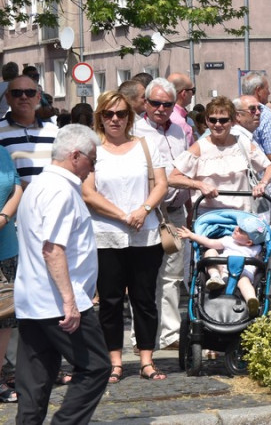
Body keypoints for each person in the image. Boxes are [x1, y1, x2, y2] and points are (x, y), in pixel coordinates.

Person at [15, 124, 110, 425]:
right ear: (75, 156)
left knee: (36, 379)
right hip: (59, 301)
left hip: (33, 298)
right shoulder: (60, 190)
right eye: (92, 161)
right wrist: (70, 302)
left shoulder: (40, 185)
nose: (92, 168)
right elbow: (52, 249)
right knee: (95, 367)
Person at [81, 92, 168, 383]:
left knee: (144, 299)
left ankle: (146, 360)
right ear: (100, 117)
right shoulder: (93, 149)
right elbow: (88, 192)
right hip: (106, 235)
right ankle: (114, 361)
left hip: (145, 234)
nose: (115, 119)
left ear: (129, 117)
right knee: (110, 301)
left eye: (120, 113)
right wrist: (122, 215)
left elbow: (161, 184)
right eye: (108, 114)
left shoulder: (146, 144)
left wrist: (143, 210)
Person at [132, 78, 190, 351]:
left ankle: (170, 335)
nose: (161, 108)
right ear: (145, 103)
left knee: (171, 276)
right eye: (155, 103)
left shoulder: (180, 130)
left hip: (176, 213)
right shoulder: (136, 131)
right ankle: (140, 336)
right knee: (142, 277)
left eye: (167, 104)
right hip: (148, 211)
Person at [168, 96, 271, 216]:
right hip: (208, 217)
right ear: (207, 121)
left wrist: (262, 183)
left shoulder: (242, 143)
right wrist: (199, 185)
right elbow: (172, 178)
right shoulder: (199, 147)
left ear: (233, 121)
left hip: (241, 217)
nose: (217, 125)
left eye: (223, 120)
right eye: (213, 120)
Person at [178, 214, 268, 317]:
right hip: (222, 271)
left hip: (243, 272)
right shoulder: (228, 240)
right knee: (211, 251)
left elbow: (259, 263)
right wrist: (192, 235)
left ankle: (251, 300)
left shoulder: (256, 249)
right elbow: (209, 242)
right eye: (238, 226)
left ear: (249, 242)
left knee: (245, 283)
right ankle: (215, 277)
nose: (236, 228)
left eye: (241, 231)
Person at [0, 75, 59, 184]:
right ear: (8, 98)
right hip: (13, 200)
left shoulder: (55, 132)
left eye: (30, 92)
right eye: (17, 93)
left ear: (38, 98)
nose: (24, 97)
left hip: (49, 199)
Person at [0, 146, 21, 403]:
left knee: (5, 316)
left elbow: (16, 187)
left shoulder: (2, 152)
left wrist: (5, 216)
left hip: (6, 247)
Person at [241, 71, 271, 178]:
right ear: (258, 90)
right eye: (267, 89)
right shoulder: (265, 115)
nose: (269, 93)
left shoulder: (236, 109)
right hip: (261, 180)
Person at [167, 73, 196, 145]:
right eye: (193, 90)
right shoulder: (180, 122)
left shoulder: (164, 114)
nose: (192, 95)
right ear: (184, 93)